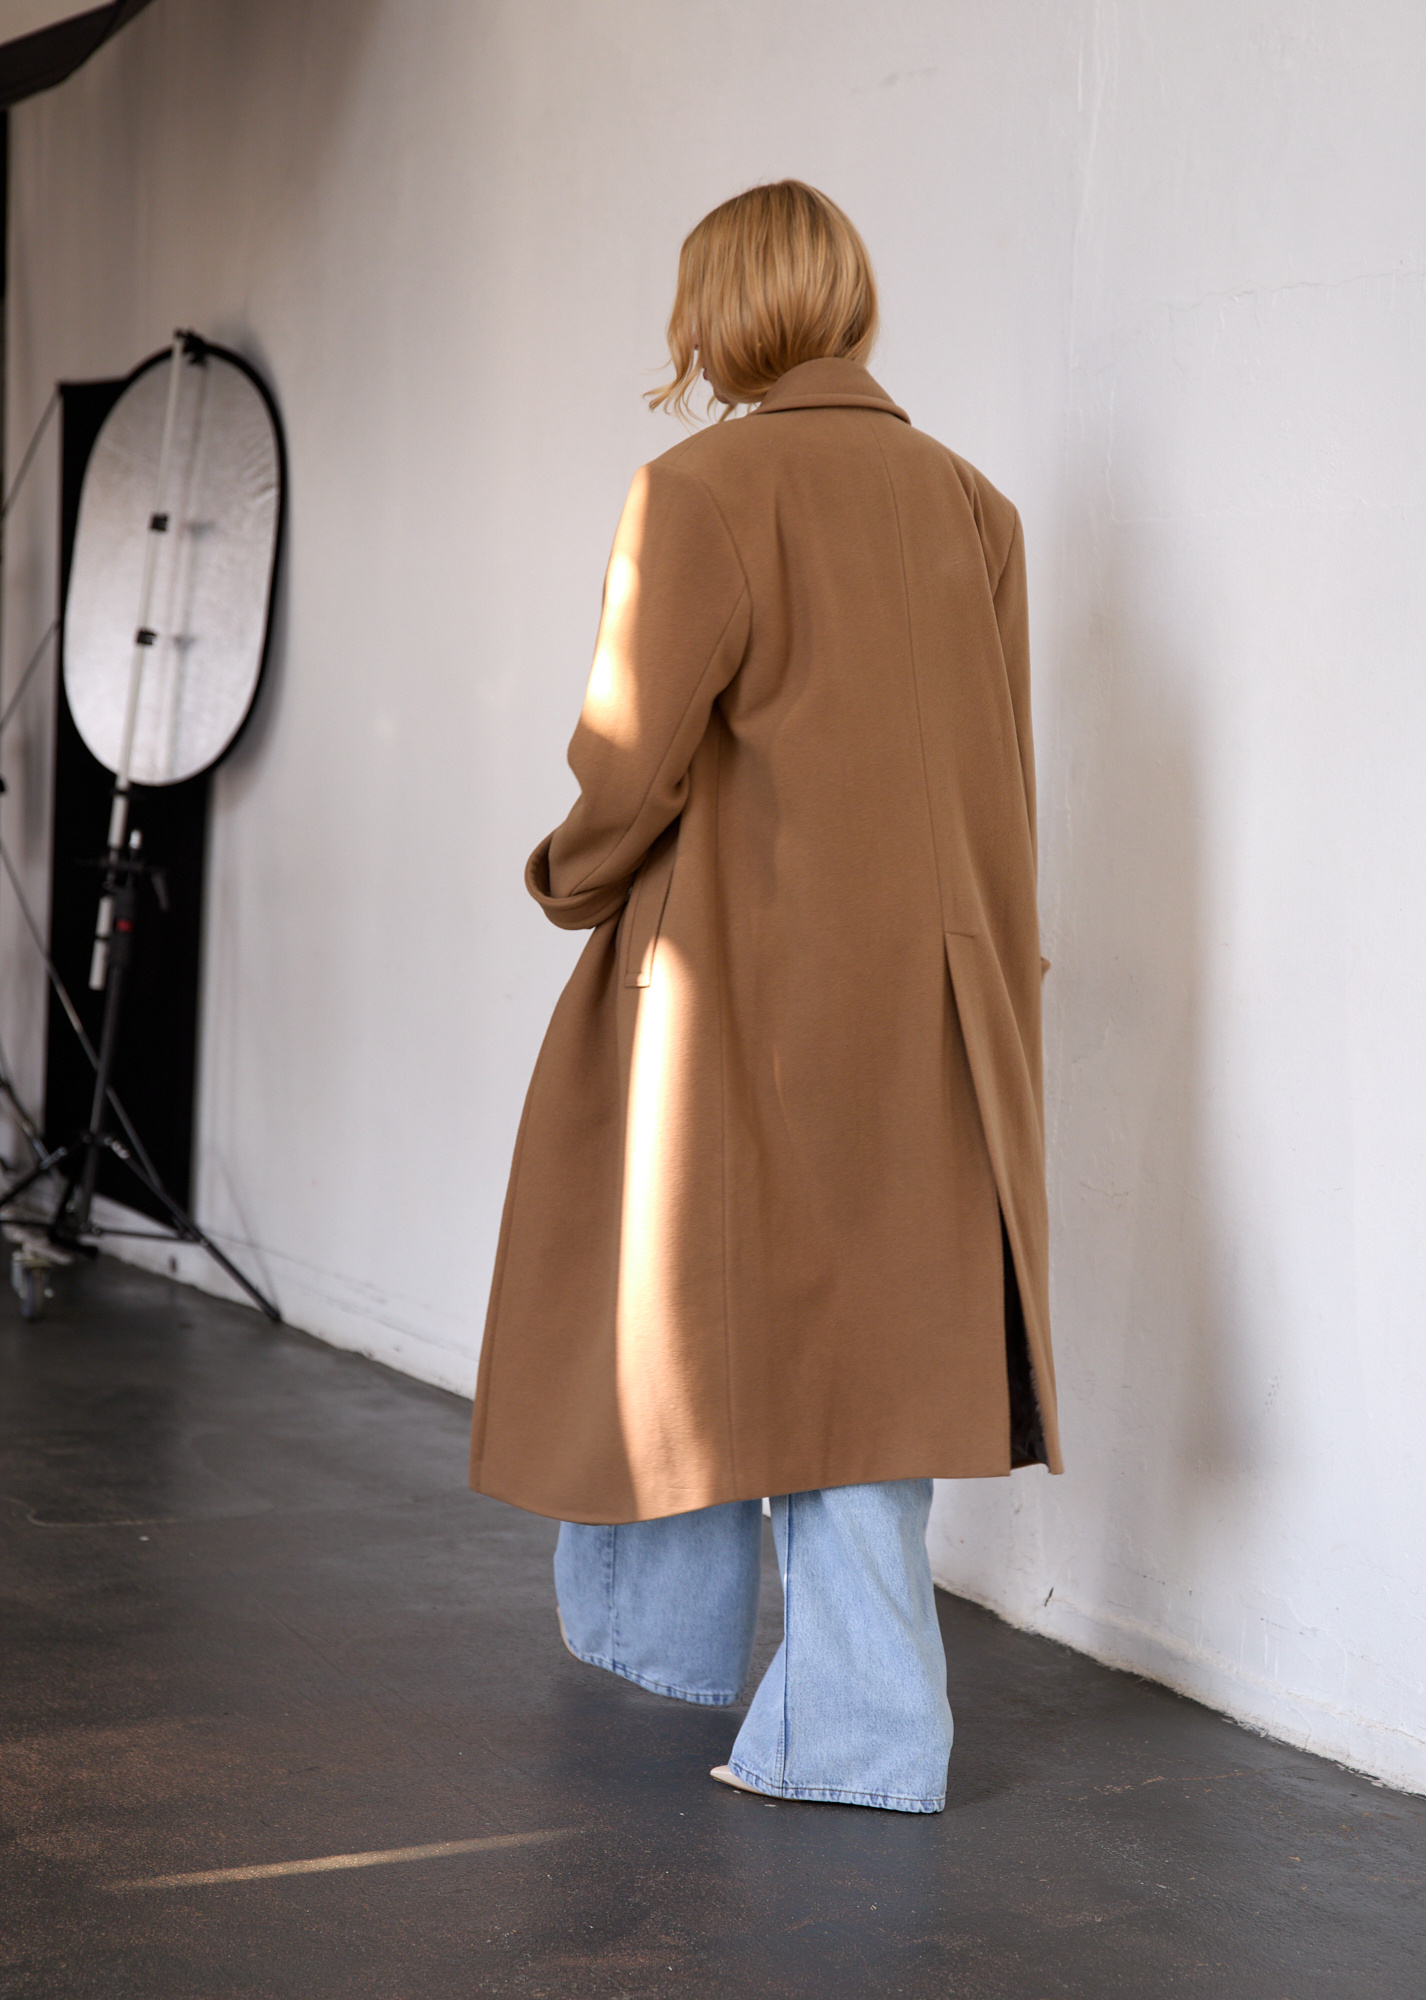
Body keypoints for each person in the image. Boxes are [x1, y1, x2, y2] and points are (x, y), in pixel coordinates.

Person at [470, 180, 1059, 1814]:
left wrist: (569, 877)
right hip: (934, 1001)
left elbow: (629, 759)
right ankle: (829, 1712)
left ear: (718, 316)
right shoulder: (977, 509)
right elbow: (1002, 785)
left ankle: (775, 1697)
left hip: (738, 983)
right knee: (869, 1345)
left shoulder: (698, 490)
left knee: (675, 1309)